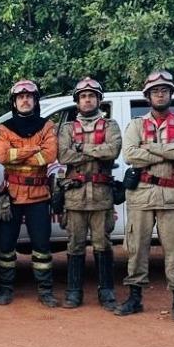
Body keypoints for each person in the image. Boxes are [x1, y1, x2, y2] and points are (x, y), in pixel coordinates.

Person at [117, 71, 174, 320]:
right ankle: (135, 297)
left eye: (164, 90)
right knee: (136, 248)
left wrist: (149, 148)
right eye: (154, 91)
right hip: (140, 194)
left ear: (171, 94)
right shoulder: (137, 125)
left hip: (171, 194)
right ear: (148, 96)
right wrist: (166, 153)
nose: (159, 94)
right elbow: (130, 154)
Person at [57, 77, 122, 309]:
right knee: (74, 245)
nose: (87, 100)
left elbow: (112, 151)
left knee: (102, 244)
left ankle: (106, 291)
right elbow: (64, 156)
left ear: (98, 100)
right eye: (83, 96)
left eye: (91, 96)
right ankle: (74, 292)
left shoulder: (110, 126)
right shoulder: (66, 128)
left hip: (101, 197)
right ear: (77, 101)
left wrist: (81, 147)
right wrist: (97, 151)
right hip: (74, 198)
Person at [0, 80, 58, 306]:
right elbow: (3, 156)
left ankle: (45, 291)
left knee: (41, 247)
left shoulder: (47, 126)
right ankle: (5, 289)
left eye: (29, 97)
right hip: (11, 195)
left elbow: (49, 155)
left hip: (39, 195)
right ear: (14, 102)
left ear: (35, 100)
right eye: (20, 97)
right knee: (5, 246)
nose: (25, 100)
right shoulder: (4, 128)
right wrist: (33, 149)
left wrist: (17, 152)